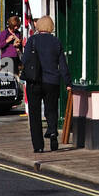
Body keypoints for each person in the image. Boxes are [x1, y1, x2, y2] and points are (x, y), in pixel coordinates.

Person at [21, 16, 69, 153]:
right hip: (52, 82)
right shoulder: (56, 42)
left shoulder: (32, 40)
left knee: (35, 114)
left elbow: (25, 60)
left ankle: (38, 146)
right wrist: (68, 82)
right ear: (51, 27)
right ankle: (53, 132)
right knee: (51, 109)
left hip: (34, 82)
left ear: (38, 26)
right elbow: (63, 65)